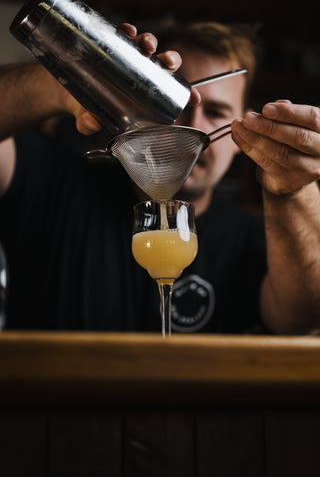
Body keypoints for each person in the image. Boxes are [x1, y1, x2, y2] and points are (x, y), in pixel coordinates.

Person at [0, 21, 319, 334]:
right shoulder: (54, 185)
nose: (192, 127)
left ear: (241, 133)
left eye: (217, 112)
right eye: (175, 103)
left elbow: (302, 317)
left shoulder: (256, 238)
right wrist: (62, 81)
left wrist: (292, 193)